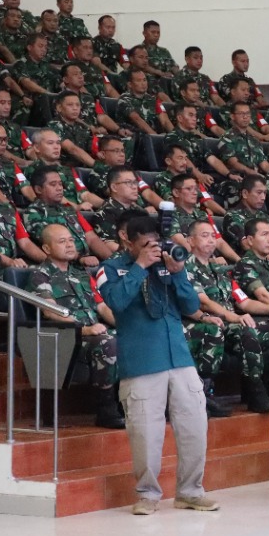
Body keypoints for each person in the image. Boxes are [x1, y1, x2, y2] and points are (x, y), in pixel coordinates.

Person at [98, 213, 217, 515]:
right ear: (130, 242)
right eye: (146, 244)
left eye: (157, 243)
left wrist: (177, 273)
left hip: (179, 356)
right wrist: (140, 267)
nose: (154, 249)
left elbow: (191, 307)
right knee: (145, 432)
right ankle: (147, 494)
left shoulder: (170, 264)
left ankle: (190, 491)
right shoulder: (111, 268)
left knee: (194, 426)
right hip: (141, 361)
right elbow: (116, 303)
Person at [30, 224, 121, 428]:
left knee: (135, 338)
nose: (70, 245)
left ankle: (130, 403)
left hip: (95, 331)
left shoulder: (81, 274)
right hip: (68, 335)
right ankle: (106, 408)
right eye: (62, 242)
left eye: (71, 240)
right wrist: (84, 329)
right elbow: (50, 312)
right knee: (108, 343)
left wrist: (127, 325)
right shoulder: (41, 275)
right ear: (46, 249)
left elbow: (102, 307)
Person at [184, 219, 269, 415]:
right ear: (190, 241)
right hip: (199, 321)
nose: (210, 240)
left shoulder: (219, 269)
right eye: (204, 236)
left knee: (260, 330)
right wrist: (232, 317)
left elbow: (242, 301)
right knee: (230, 330)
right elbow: (203, 302)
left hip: (227, 321)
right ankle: (207, 394)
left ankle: (257, 391)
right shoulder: (186, 267)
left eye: (213, 236)